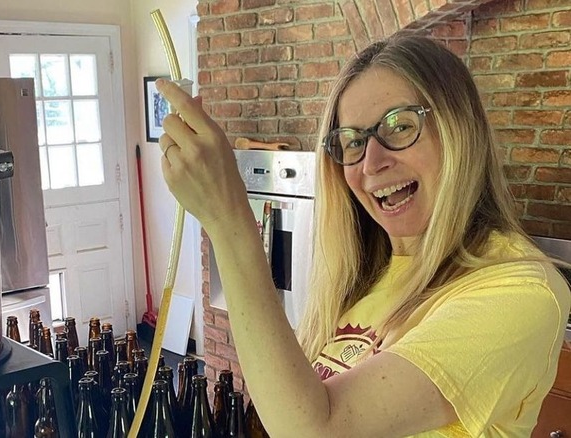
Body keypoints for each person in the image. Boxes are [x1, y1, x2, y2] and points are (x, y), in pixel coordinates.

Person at [155, 33, 571, 437]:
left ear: (460, 130)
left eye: (400, 126)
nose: (372, 162)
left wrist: (229, 218)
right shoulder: (364, 275)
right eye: (352, 141)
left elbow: (317, 428)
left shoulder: (520, 291)